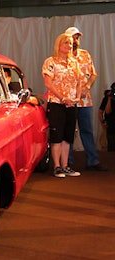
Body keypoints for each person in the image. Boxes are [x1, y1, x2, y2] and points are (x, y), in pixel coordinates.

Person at [64, 27, 108, 171]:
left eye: (77, 37)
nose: (75, 40)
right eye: (73, 37)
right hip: (69, 99)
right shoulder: (62, 56)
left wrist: (87, 86)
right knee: (69, 130)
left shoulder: (85, 55)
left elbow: (93, 74)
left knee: (87, 130)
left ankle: (92, 160)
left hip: (85, 100)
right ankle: (67, 161)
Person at [42, 33, 81, 178]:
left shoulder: (74, 63)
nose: (69, 46)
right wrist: (62, 97)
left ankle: (65, 166)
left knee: (68, 135)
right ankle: (57, 166)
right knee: (57, 135)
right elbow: (48, 83)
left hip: (71, 103)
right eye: (66, 43)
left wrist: (76, 97)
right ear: (59, 45)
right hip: (57, 102)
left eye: (70, 43)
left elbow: (79, 82)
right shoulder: (51, 62)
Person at [100, 83, 115, 151]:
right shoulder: (107, 98)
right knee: (111, 146)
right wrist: (109, 99)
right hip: (111, 125)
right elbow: (106, 111)